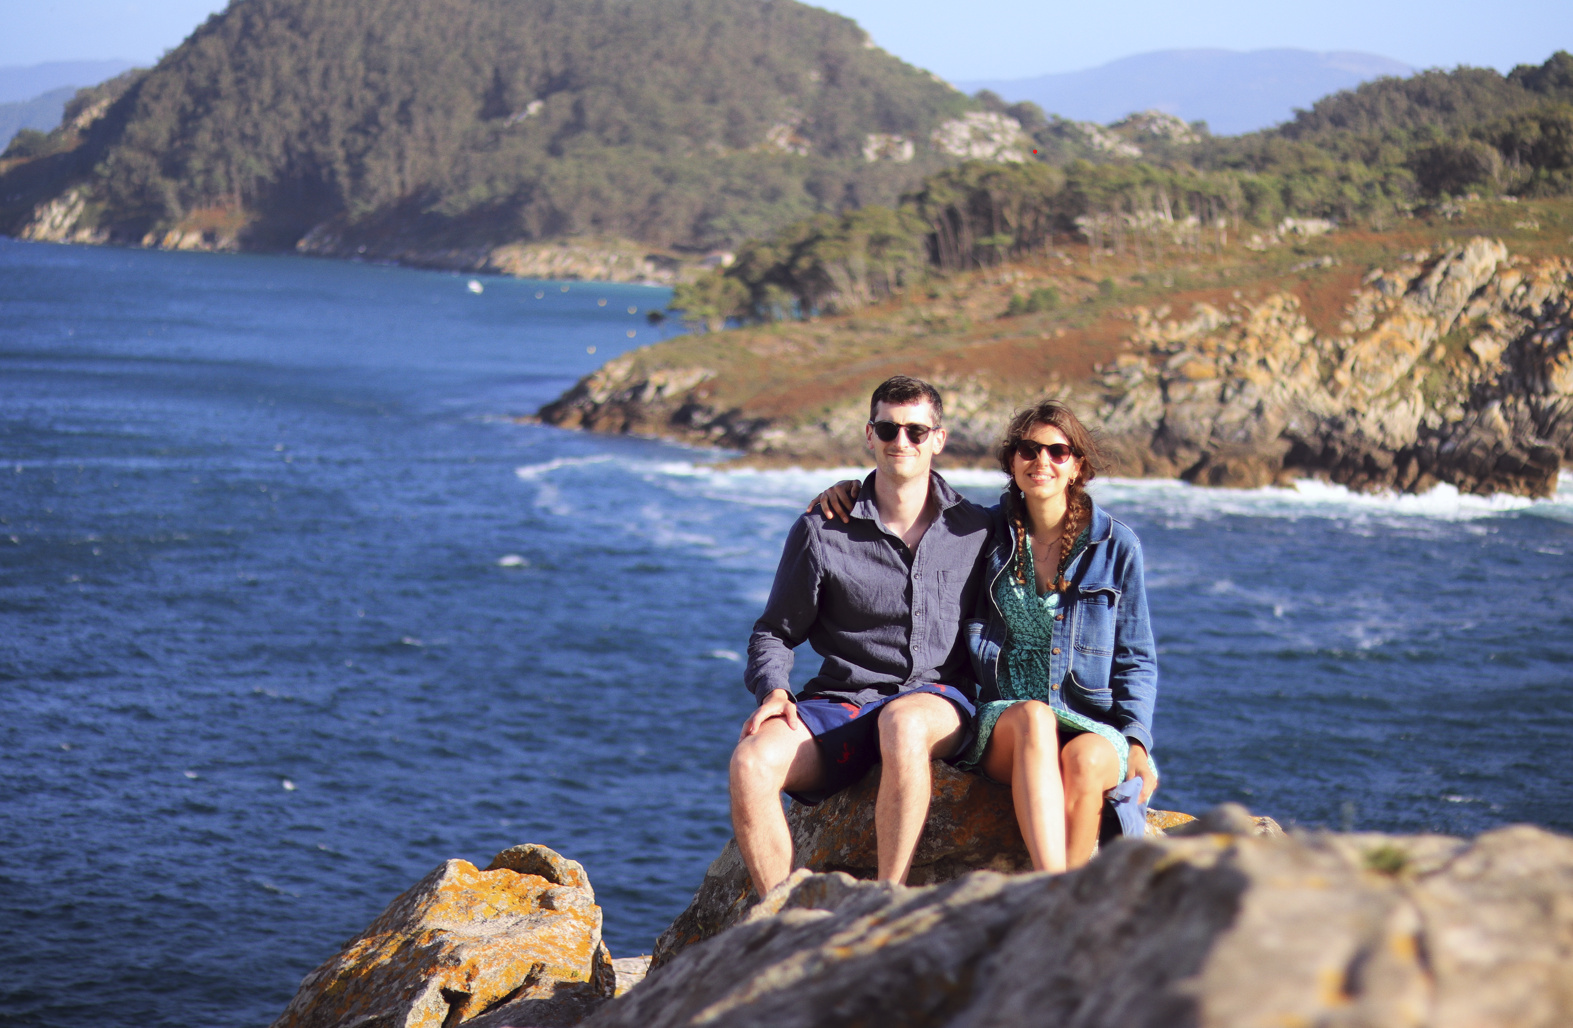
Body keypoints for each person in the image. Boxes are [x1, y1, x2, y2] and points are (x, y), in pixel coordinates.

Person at [810, 400, 1158, 873]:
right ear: (1012, 461)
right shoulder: (980, 531)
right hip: (1007, 723)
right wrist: (853, 491)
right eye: (1029, 450)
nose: (1042, 462)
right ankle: (1053, 889)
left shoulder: (1116, 546)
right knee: (1034, 717)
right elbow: (912, 498)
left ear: (1077, 466)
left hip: (1087, 718)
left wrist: (1136, 739)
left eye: (1058, 452)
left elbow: (1136, 658)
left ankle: (1075, 904)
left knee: (1085, 762)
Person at [731, 375, 992, 900]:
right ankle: (784, 926)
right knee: (750, 762)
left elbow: (1052, 519)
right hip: (844, 702)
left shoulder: (979, 529)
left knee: (904, 721)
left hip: (938, 700)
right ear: (868, 435)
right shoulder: (822, 528)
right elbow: (776, 631)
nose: (902, 442)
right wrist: (774, 692)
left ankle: (880, 905)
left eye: (917, 431)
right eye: (889, 429)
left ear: (938, 440)